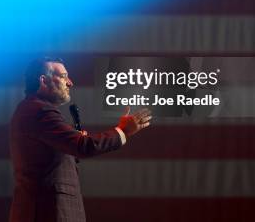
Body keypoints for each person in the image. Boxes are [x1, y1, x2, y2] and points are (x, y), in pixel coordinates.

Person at [9, 57, 152, 222]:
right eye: (63, 76)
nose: (70, 82)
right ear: (44, 80)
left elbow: (51, 159)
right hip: (49, 212)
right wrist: (122, 131)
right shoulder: (40, 111)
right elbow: (83, 146)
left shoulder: (34, 110)